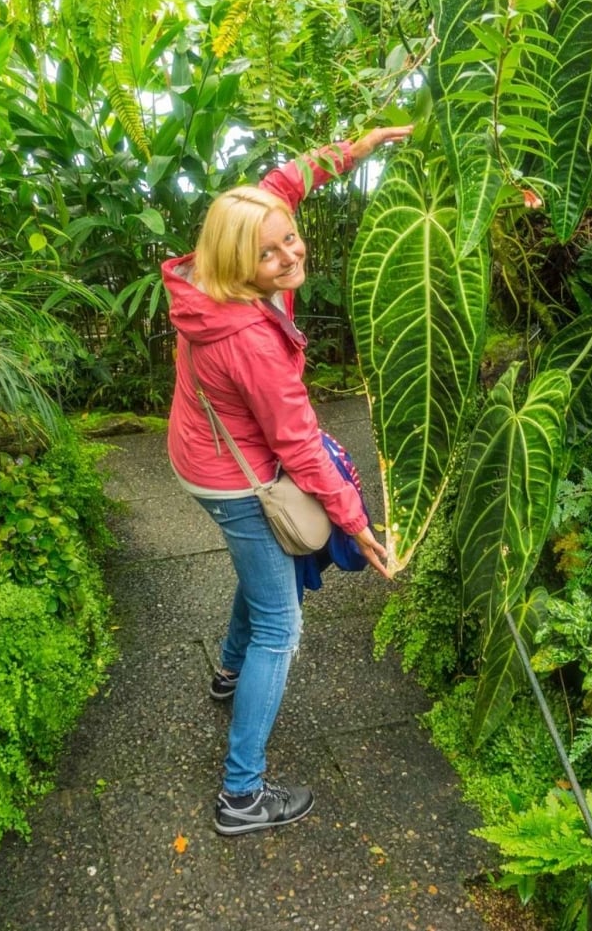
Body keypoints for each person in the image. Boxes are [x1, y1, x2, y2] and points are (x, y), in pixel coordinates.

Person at [162, 125, 412, 836]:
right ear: (239, 260)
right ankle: (240, 795)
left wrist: (361, 146)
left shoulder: (221, 264)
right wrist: (359, 526)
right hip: (232, 475)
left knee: (262, 574)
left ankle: (230, 673)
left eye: (290, 240)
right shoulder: (246, 340)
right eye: (267, 254)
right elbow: (299, 444)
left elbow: (286, 180)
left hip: (202, 448)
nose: (287, 254)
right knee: (283, 622)